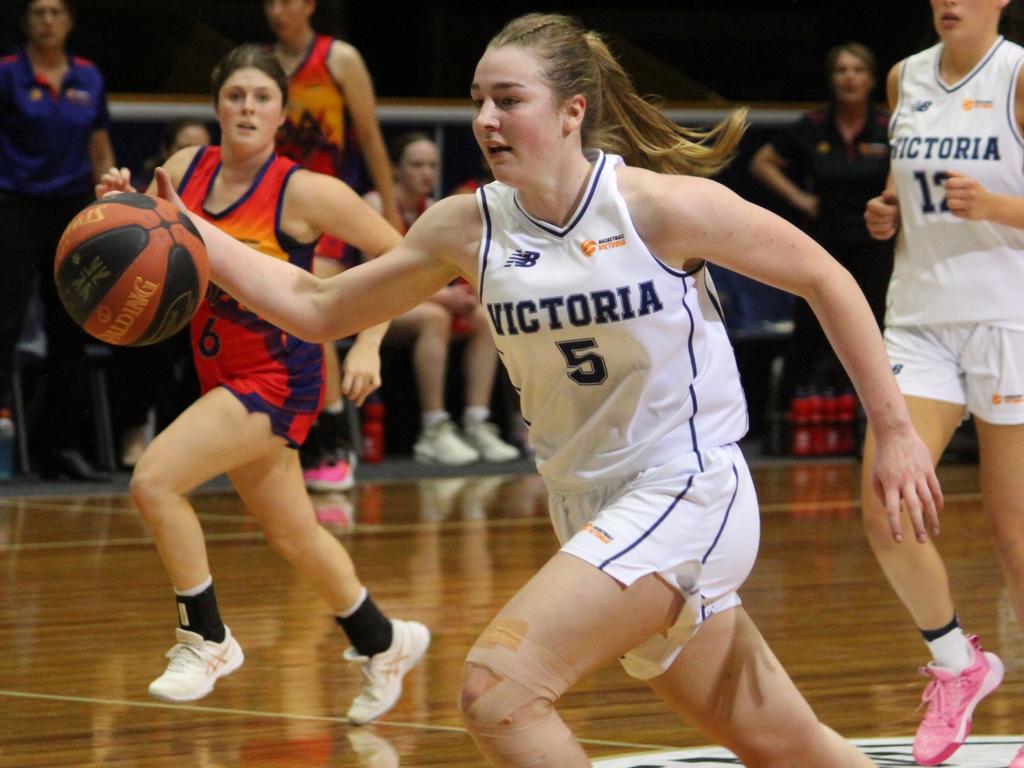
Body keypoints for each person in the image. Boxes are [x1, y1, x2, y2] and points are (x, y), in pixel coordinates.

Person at [147, 14, 942, 766]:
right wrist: (189, 229)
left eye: (508, 100)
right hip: (585, 503)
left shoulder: (659, 209)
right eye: (478, 103)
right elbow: (317, 307)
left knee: (497, 692)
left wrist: (896, 432)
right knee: (791, 748)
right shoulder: (469, 226)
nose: (486, 120)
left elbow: (825, 277)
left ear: (572, 112)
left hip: (687, 489)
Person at [96, 44, 428, 725]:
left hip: (280, 376)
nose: (247, 107)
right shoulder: (186, 169)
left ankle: (206, 638)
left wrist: (368, 340)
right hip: (218, 367)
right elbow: (160, 241)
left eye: (261, 97)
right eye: (235, 96)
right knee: (294, 533)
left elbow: (404, 256)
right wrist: (121, 208)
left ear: (283, 112)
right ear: (218, 105)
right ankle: (384, 641)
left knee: (154, 482)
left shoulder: (305, 190)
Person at [862, 1, 1024, 765]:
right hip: (919, 320)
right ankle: (960, 667)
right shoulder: (904, 78)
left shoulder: (1019, 75)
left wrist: (996, 208)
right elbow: (906, 181)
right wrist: (891, 209)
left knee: (1015, 538)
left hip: (1009, 322)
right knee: (888, 505)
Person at [265, 0, 402, 491]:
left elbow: (369, 137)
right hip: (273, 205)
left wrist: (389, 209)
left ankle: (334, 435)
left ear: (309, 6)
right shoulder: (260, 65)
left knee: (313, 306)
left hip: (329, 207)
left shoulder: (339, 59)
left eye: (288, 1)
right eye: (271, 2)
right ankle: (282, 432)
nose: (278, 10)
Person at [0, 0, 115, 480]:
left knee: (71, 327)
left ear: (70, 21)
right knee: (4, 322)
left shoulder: (88, 77)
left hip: (72, 210)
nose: (48, 21)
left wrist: (108, 207)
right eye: (39, 12)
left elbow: (100, 146)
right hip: (13, 205)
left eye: (57, 12)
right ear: (26, 21)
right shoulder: (6, 73)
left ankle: (61, 447)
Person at [751, 43, 893, 411]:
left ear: (872, 79)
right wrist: (803, 200)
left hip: (875, 244)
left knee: (877, 328)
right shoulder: (814, 126)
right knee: (812, 328)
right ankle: (786, 420)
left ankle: (871, 419)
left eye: (857, 70)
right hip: (825, 241)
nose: (849, 78)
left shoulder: (888, 126)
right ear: (831, 79)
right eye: (841, 70)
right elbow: (762, 162)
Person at [364, 132, 519, 466]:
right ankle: (433, 429)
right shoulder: (376, 203)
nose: (427, 173)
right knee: (434, 318)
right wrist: (441, 297)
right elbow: (377, 279)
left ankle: (477, 422)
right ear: (395, 170)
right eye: (417, 164)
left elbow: (444, 274)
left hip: (415, 301)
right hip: (371, 309)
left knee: (484, 315)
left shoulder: (432, 209)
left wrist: (463, 293)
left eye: (432, 165)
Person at [115, 118, 213, 468]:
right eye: (182, 148)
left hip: (206, 302)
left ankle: (186, 439)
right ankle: (135, 428)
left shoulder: (220, 197)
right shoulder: (146, 196)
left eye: (199, 150)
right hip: (151, 299)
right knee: (151, 340)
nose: (190, 156)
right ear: (166, 153)